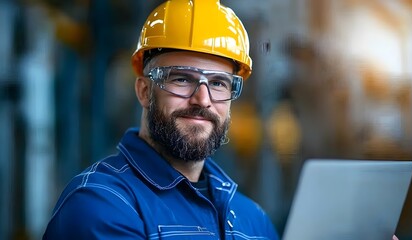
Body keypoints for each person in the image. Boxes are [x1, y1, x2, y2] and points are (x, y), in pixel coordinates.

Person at [43, 0, 279, 239]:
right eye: (182, 79)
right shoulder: (100, 205)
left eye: (218, 83)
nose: (203, 100)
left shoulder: (253, 220)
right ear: (144, 91)